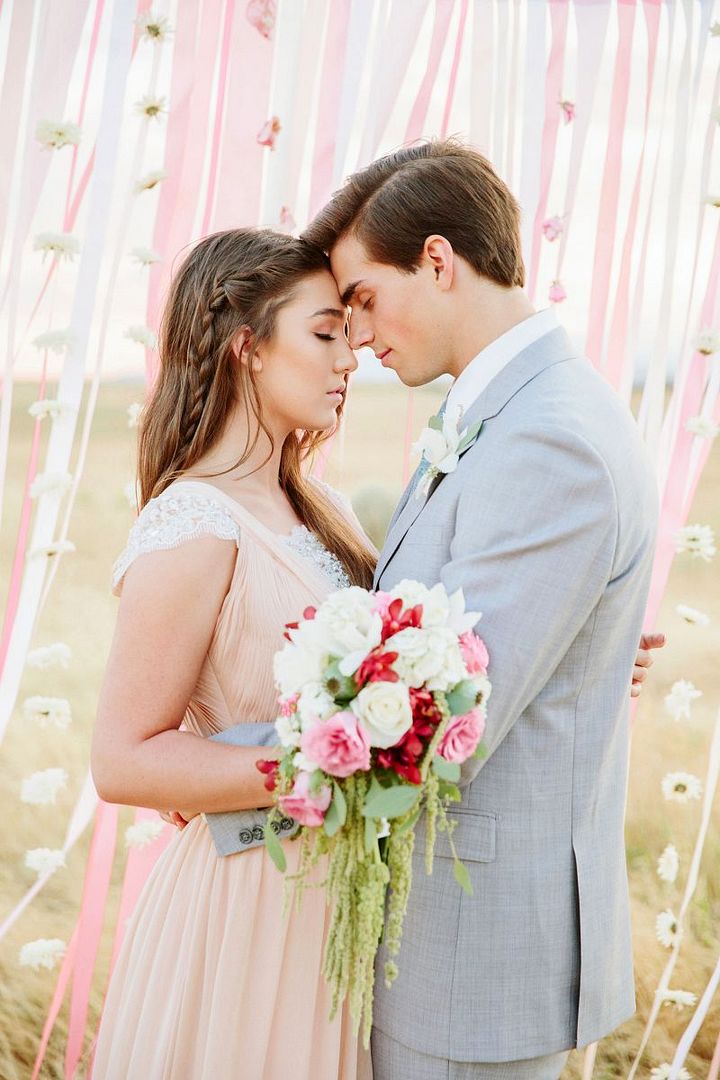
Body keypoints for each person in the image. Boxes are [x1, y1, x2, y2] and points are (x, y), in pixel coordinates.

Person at [302, 138, 663, 1080]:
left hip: (475, 957)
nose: (360, 336)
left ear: (437, 260)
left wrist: (213, 771)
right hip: (446, 938)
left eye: (364, 299)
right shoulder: (506, 412)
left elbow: (440, 727)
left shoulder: (551, 438)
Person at [91, 228, 377, 1079]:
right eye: (324, 333)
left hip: (340, 906)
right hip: (249, 905)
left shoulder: (320, 507)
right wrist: (325, 765)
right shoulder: (193, 524)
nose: (349, 359)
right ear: (248, 347)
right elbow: (124, 759)